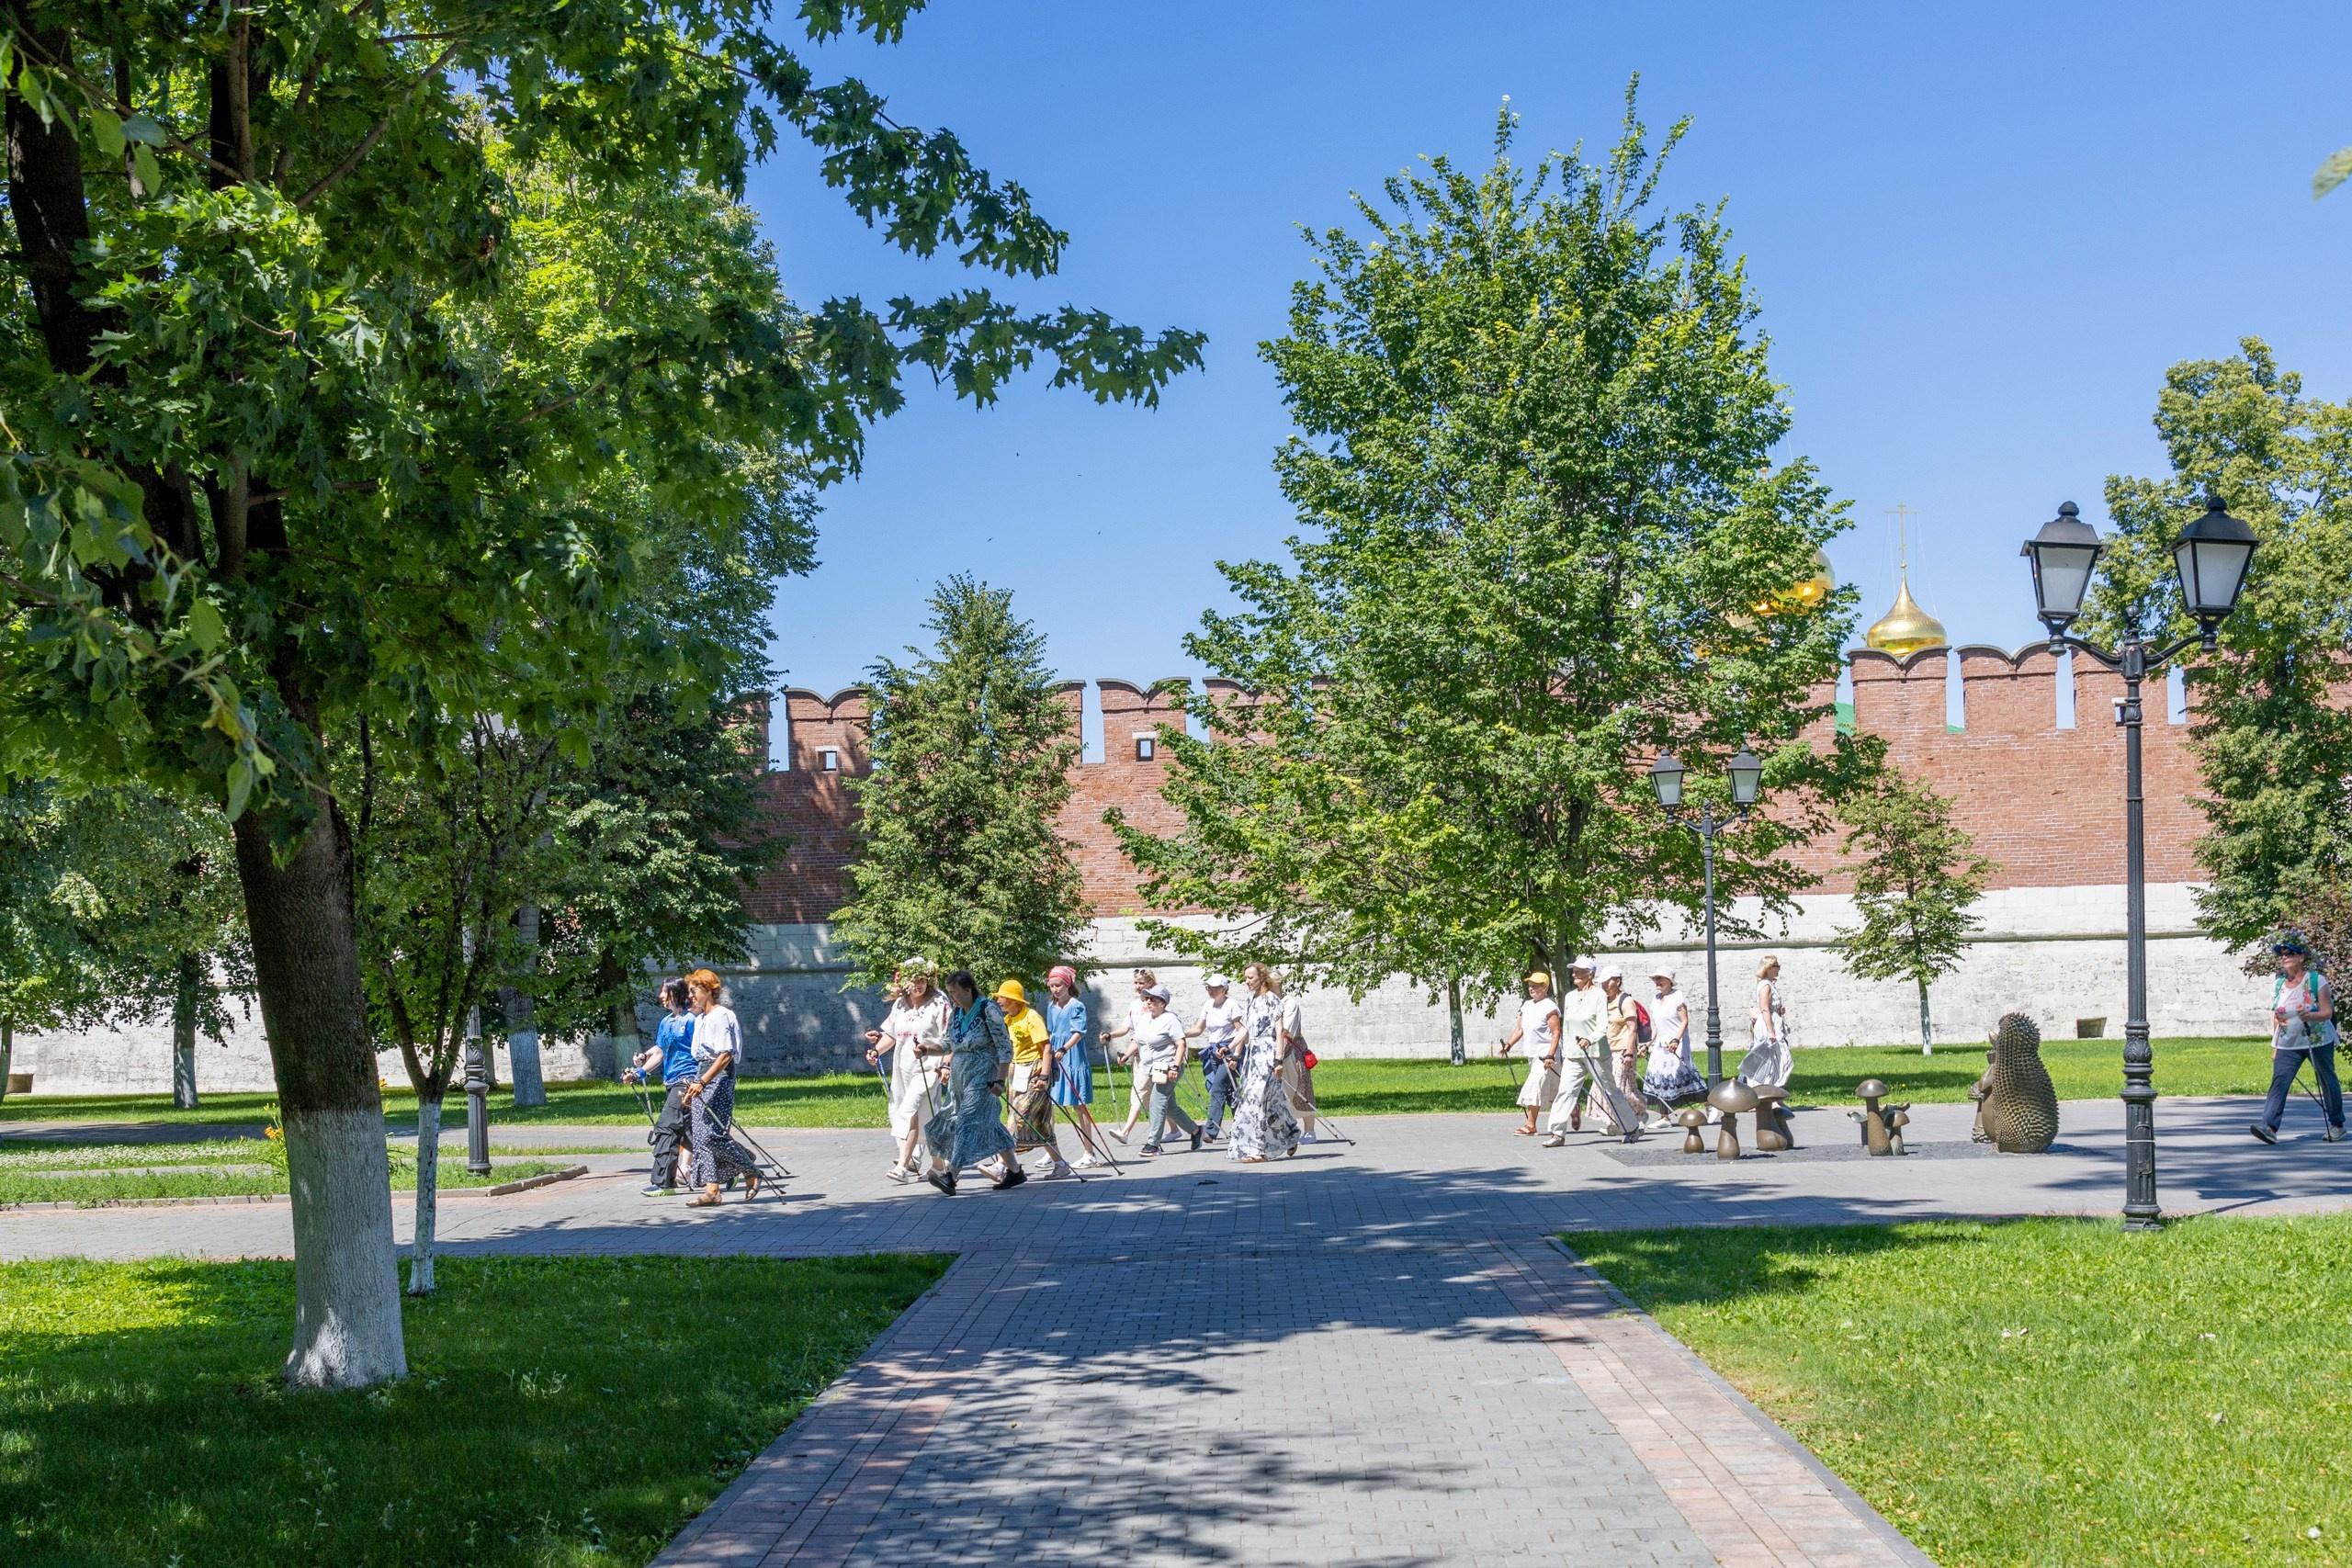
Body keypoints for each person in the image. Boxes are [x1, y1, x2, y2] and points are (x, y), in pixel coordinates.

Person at [922, 969, 1024, 1195]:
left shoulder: (988, 1010)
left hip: (984, 1075)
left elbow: (1004, 1047)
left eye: (954, 992)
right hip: (960, 1078)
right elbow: (948, 1043)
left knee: (966, 1120)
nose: (951, 997)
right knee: (989, 1123)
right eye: (949, 992)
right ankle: (1015, 1172)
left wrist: (1000, 1080)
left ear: (968, 990)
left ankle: (952, 1176)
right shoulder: (957, 1013)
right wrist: (926, 1048)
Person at [2251, 935, 2346, 1145]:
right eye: (2282, 954)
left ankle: (2337, 1125)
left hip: (2318, 1039)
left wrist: (2311, 1016)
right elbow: (2277, 1015)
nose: (2284, 957)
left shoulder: (2316, 980)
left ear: (2302, 957)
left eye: (2290, 953)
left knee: (2327, 1081)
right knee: (2280, 1082)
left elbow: (2327, 1012)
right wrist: (2274, 1045)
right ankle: (2269, 1127)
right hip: (2288, 1043)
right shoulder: (2278, 985)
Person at [678, 969, 759, 1207]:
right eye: (690, 991)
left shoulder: (721, 1015)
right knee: (700, 1135)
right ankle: (712, 1189)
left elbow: (725, 1055)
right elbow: (701, 1058)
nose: (691, 996)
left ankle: (748, 1166)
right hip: (703, 1074)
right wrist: (695, 1084)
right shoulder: (701, 1018)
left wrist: (703, 1082)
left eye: (695, 991)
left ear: (709, 990)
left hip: (719, 1076)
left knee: (713, 1134)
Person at [865, 959, 948, 1183]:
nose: (919, 985)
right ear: (905, 982)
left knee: (909, 1109)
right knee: (925, 1118)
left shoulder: (939, 1001)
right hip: (903, 1069)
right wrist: (876, 1052)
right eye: (914, 980)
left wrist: (946, 1064)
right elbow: (891, 1035)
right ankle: (939, 1167)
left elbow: (950, 1037)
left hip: (929, 1067)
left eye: (922, 980)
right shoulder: (900, 1004)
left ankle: (902, 1166)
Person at [623, 977, 696, 1196]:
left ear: (676, 994)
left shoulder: (692, 1020)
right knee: (692, 1134)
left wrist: (701, 1080)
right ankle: (734, 1166)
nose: (660, 996)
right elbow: (661, 1052)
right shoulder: (666, 1022)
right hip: (671, 1080)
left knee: (666, 1127)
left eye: (665, 992)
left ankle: (664, 1183)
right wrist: (639, 1072)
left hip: (687, 1081)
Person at [1227, 963, 1301, 1162]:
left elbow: (1279, 1032)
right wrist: (1230, 1047)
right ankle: (1291, 1133)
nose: (1247, 981)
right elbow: (1245, 1030)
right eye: (1245, 978)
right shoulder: (1250, 1000)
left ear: (1261, 977)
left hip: (1268, 1055)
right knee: (1273, 1103)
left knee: (1255, 1101)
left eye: (1250, 977)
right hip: (1253, 1056)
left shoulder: (1272, 1000)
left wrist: (1278, 1059)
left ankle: (1257, 1150)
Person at [999, 978, 1070, 1178]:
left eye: (1002, 997)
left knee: (1017, 1116)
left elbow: (1046, 1047)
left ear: (1013, 1000)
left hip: (1035, 1071)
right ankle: (1060, 1164)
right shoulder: (1009, 1020)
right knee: (1039, 1122)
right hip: (1017, 1071)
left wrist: (1045, 1076)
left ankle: (1000, 1165)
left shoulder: (1031, 1017)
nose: (999, 1001)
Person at [1543, 959, 1613, 1145]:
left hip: (1596, 1052)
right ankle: (1557, 1133)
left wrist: (1589, 1038)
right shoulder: (1570, 996)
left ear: (1590, 974)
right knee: (1565, 1092)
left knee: (1610, 1092)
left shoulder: (1599, 995)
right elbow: (1566, 1026)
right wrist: (1565, 1051)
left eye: (1579, 971)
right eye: (1573, 971)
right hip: (1573, 1054)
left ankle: (1630, 1127)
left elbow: (1603, 1024)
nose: (1574, 974)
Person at [1045, 965, 1105, 1168]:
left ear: (1068, 984)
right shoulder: (1051, 1006)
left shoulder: (1076, 1005)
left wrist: (1064, 1048)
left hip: (1073, 1058)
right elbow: (1051, 1032)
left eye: (1058, 984)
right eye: (1051, 985)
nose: (1055, 989)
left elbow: (1079, 1032)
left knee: (1079, 1106)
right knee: (1051, 1105)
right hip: (1056, 1057)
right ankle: (1051, 1149)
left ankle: (1089, 1152)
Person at [1133, 984, 1203, 1156]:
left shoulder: (1171, 1020)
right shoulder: (1145, 1019)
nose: (1148, 1002)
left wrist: (1175, 1066)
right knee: (1171, 1108)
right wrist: (1125, 1055)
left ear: (1162, 1003)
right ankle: (1196, 1131)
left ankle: (1153, 1144)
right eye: (1147, 998)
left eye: (1152, 999)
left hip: (1168, 1067)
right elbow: (1137, 1040)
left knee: (1157, 1102)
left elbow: (1181, 1044)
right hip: (1151, 1068)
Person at [1098, 966, 1161, 1144]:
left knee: (1138, 1092)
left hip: (1153, 1056)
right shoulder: (1134, 1005)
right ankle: (1176, 1129)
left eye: (1141, 983)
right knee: (1151, 1098)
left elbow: (1143, 1036)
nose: (1138, 986)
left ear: (1151, 982)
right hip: (1139, 1057)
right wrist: (1110, 1035)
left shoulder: (1154, 1004)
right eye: (1135, 983)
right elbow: (1127, 1029)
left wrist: (1127, 1053)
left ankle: (1125, 1132)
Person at [1498, 970, 1561, 1137]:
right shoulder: (1527, 1005)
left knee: (1534, 1086)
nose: (1531, 988)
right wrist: (1509, 1044)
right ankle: (1574, 1108)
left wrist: (1551, 1055)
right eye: (1530, 985)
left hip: (1546, 1054)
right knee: (1555, 1090)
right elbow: (1520, 1028)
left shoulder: (1550, 1006)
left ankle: (1530, 1125)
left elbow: (1556, 1032)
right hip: (1533, 1054)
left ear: (1545, 987)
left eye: (1535, 986)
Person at [1190, 974, 1244, 1142]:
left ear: (1224, 989)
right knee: (1229, 1092)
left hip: (1229, 1050)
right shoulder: (1208, 1005)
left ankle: (1211, 1131)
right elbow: (1199, 1029)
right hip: (1213, 1050)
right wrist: (1178, 1034)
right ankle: (1242, 1125)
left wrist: (1236, 1055)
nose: (1210, 991)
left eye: (1214, 988)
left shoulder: (1232, 1005)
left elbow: (1241, 1031)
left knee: (1217, 1088)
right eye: (1208, 988)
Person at [1641, 966, 1704, 1106]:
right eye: (1655, 979)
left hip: (1677, 1042)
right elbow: (1656, 1026)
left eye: (1660, 978)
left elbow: (1684, 1021)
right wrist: (1647, 1044)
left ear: (1669, 981)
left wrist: (1676, 1040)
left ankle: (1708, 1103)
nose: (1657, 981)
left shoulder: (1677, 996)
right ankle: (1665, 1117)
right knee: (1660, 1076)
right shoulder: (1656, 998)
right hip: (1661, 1044)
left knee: (1682, 1074)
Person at [1598, 966, 1646, 1123]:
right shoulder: (1604, 1002)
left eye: (1607, 982)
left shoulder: (1626, 1001)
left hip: (1623, 1050)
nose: (1604, 985)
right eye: (1602, 982)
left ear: (1617, 981)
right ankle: (1617, 1121)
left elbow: (1632, 1029)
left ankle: (1639, 1112)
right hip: (1607, 1051)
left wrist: (1629, 1053)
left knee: (1620, 1088)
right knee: (1606, 1088)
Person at [1738, 955, 1792, 1089]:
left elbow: (1769, 1007)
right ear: (1769, 968)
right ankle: (1765, 1093)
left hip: (1773, 1022)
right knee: (1772, 1059)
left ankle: (1774, 1094)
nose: (1779, 969)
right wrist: (1771, 1031)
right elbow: (1764, 1009)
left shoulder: (1769, 985)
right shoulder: (1765, 985)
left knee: (1777, 1060)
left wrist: (1779, 1009)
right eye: (1777, 966)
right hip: (1769, 1025)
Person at [1276, 975, 1318, 1142]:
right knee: (1279, 1094)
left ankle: (1310, 1131)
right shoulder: (1267, 1003)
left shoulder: (1289, 1004)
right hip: (1276, 1053)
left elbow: (1286, 1031)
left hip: (1292, 1054)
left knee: (1299, 1092)